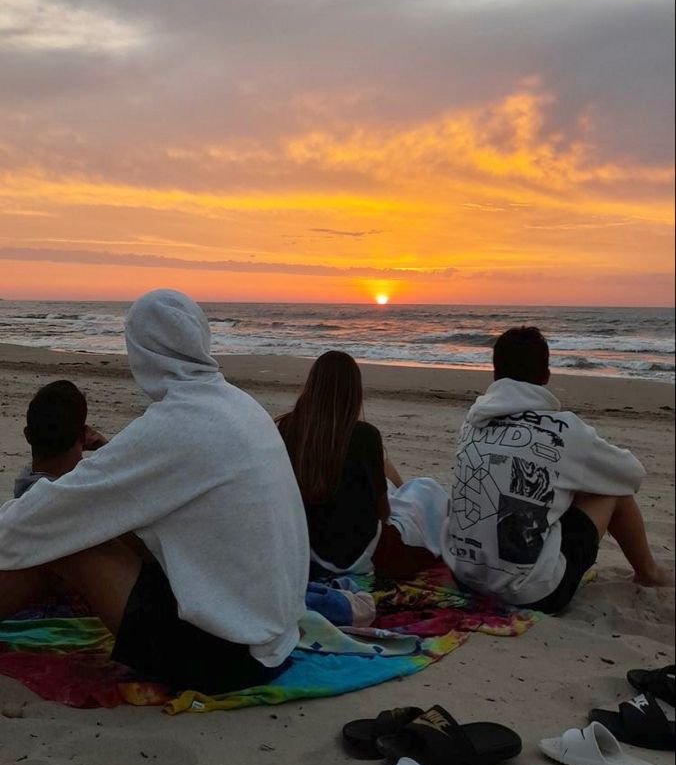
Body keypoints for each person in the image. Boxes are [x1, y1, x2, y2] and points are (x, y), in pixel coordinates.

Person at [0, 289, 310, 694]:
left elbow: (52, 510)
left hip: (225, 658)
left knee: (60, 537)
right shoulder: (239, 404)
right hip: (275, 639)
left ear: (140, 351)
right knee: (88, 524)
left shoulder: (177, 423)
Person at [442, 326, 670, 613]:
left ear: (495, 373)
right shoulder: (564, 430)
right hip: (531, 594)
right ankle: (648, 572)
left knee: (552, 481)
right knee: (612, 492)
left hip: (464, 577)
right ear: (546, 376)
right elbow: (631, 475)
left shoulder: (473, 421)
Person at [277, 350, 449, 576]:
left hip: (309, 547)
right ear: (354, 392)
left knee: (405, 490)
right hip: (363, 554)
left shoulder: (288, 428)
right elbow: (383, 514)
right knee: (428, 490)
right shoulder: (364, 435)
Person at [15, 379, 107, 499]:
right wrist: (105, 447)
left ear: (27, 435)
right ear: (82, 436)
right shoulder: (65, 497)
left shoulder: (25, 481)